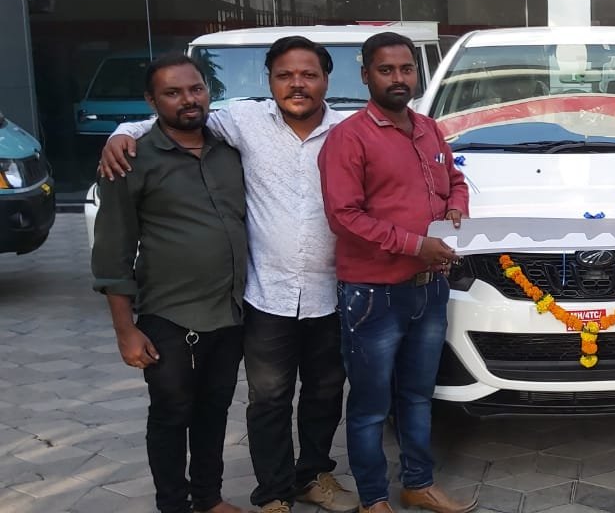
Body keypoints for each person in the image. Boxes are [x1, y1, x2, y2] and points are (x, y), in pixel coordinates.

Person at [100, 36, 358, 513]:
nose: (297, 84)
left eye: (308, 74)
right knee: (260, 399)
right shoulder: (241, 123)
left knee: (318, 393)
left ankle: (302, 478)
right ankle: (268, 493)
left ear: (326, 79)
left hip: (317, 295)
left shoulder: (344, 132)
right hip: (253, 297)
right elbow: (169, 121)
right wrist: (120, 131)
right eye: (284, 75)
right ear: (269, 81)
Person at [317, 32, 473, 513]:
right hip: (373, 295)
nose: (398, 78)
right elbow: (344, 216)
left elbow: (456, 180)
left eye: (406, 69)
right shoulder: (349, 137)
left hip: (429, 290)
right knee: (370, 406)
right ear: (366, 75)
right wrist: (415, 245)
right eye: (386, 70)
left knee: (418, 395)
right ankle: (373, 499)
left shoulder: (429, 129)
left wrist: (457, 207)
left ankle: (418, 484)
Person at [91, 53, 249, 513]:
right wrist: (125, 330)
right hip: (169, 315)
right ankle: (173, 505)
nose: (188, 100)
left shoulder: (231, 149)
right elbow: (112, 251)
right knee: (171, 413)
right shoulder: (130, 159)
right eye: (173, 93)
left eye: (195, 89)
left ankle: (208, 498)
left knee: (214, 410)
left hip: (230, 311)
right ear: (151, 101)